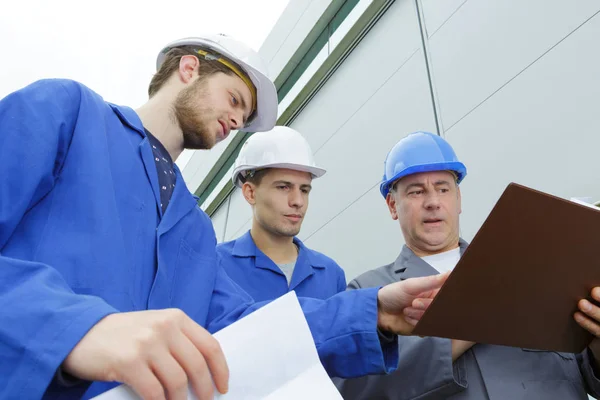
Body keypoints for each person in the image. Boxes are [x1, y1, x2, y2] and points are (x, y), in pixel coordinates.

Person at [0, 36, 447, 400]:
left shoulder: (194, 226)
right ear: (189, 69)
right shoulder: (67, 114)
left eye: (245, 116)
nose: (236, 119)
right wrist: (75, 328)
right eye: (235, 99)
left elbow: (249, 328)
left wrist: (372, 313)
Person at [335, 131, 600, 399]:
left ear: (458, 199)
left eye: (443, 189)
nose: (433, 202)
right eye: (416, 192)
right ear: (393, 205)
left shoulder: (533, 267)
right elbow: (355, 390)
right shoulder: (369, 293)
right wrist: (474, 318)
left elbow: (588, 375)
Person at [217, 126, 346, 302]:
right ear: (250, 193)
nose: (298, 201)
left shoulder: (331, 274)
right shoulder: (216, 265)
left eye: (304, 190)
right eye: (283, 187)